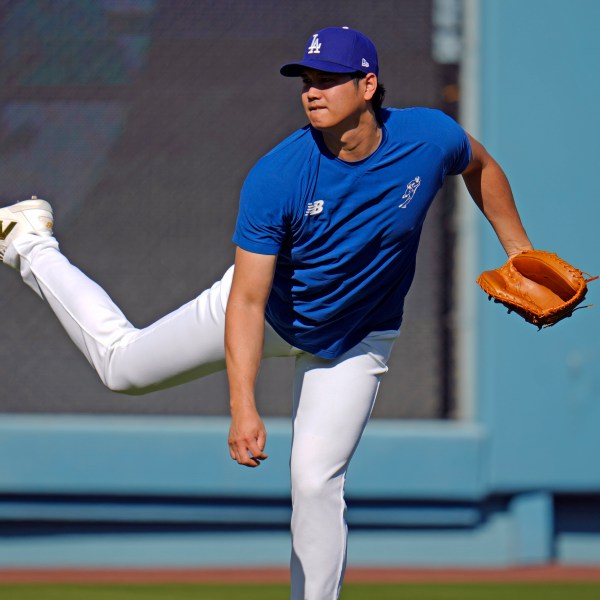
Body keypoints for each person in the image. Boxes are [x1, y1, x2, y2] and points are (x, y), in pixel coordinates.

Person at [0, 26, 532, 600]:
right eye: (307, 80)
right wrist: (244, 406)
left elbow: (481, 166)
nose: (312, 91)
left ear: (368, 85)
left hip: (355, 338)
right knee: (121, 368)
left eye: (328, 79)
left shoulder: (430, 137)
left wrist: (520, 253)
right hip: (268, 313)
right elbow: (248, 301)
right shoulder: (277, 176)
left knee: (315, 481)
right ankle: (30, 242)